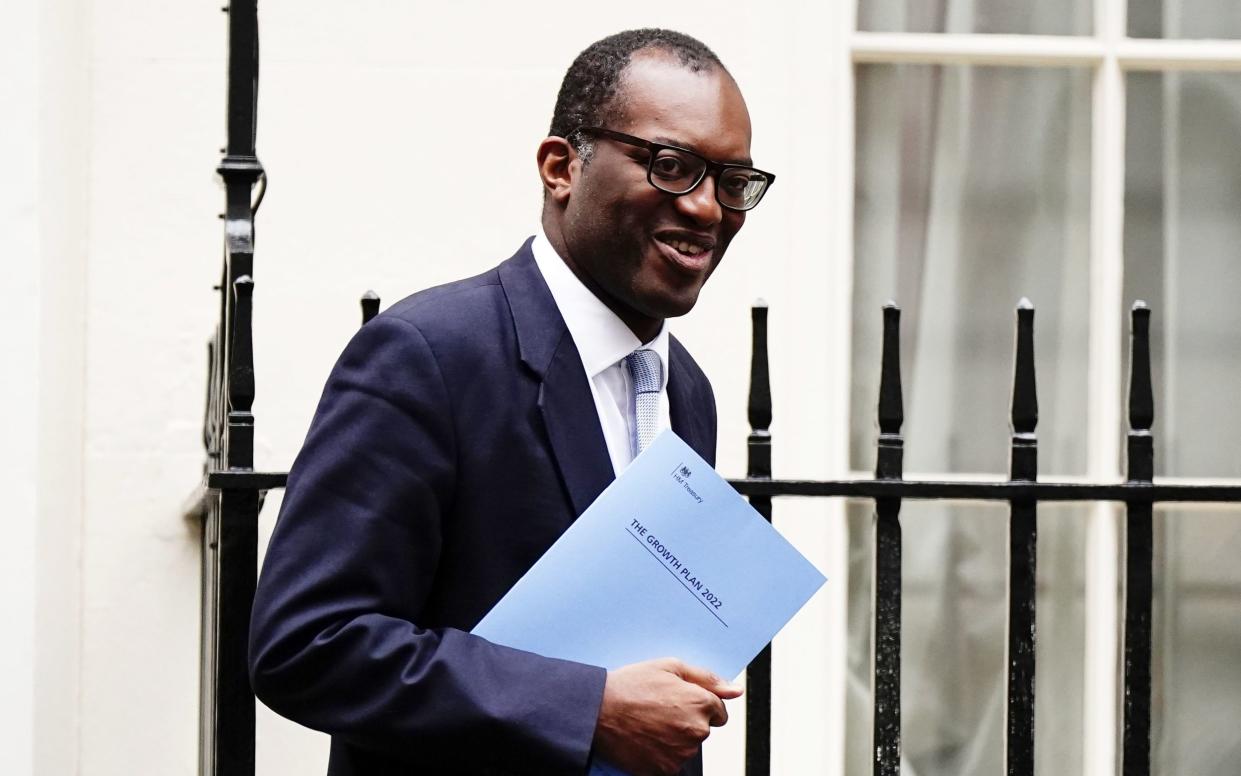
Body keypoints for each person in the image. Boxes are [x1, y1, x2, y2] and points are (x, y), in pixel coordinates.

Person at [249, 28, 775, 776]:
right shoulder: (428, 355)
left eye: (731, 182)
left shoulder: (688, 390)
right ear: (561, 167)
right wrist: (586, 708)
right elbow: (307, 643)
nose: (705, 209)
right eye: (670, 166)